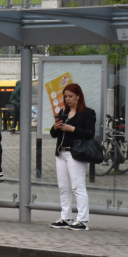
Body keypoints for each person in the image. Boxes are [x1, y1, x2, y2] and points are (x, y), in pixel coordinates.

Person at [49, 82, 96, 231]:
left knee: (78, 186)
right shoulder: (63, 112)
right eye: (66, 96)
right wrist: (55, 127)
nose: (68, 99)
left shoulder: (87, 113)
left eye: (71, 96)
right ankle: (66, 217)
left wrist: (72, 128)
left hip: (75, 153)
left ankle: (82, 220)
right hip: (61, 152)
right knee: (63, 187)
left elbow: (90, 133)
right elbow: (53, 134)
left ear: (78, 96)